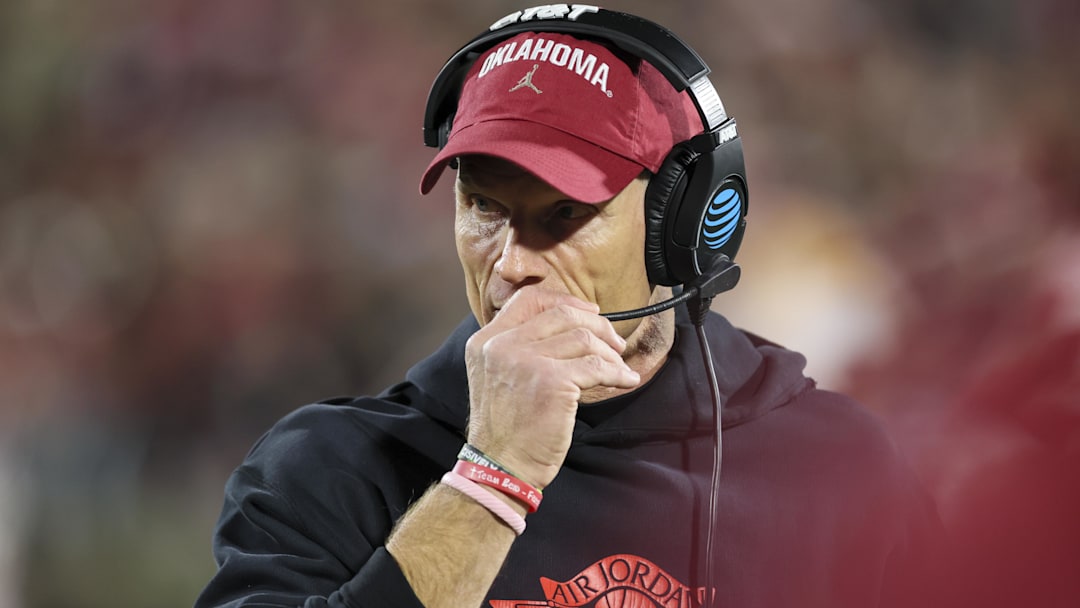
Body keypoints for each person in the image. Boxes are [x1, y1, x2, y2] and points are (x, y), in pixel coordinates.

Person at [195, 7, 942, 608]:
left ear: (679, 226)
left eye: (562, 215)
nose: (512, 264)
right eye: (484, 208)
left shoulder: (842, 472)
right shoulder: (329, 470)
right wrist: (490, 478)